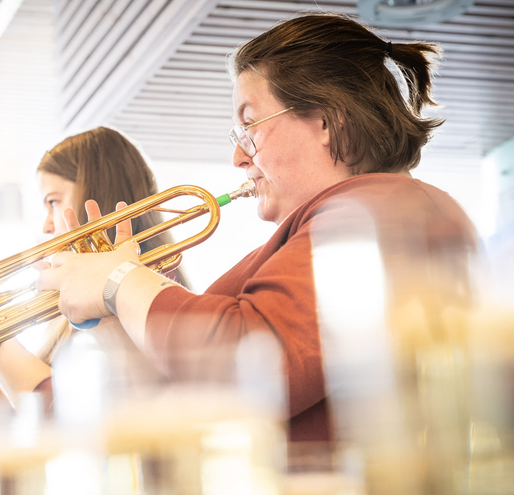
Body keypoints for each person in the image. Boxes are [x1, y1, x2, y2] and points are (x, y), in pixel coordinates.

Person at [36, 13, 478, 442]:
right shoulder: (348, 216)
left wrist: (119, 283)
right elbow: (189, 399)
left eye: (250, 127)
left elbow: (260, 366)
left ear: (327, 122)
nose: (239, 158)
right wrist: (109, 314)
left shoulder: (383, 207)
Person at [0, 126, 189, 409]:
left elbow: (64, 412)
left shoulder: (148, 287)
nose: (47, 225)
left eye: (53, 202)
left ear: (95, 196)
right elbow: (9, 425)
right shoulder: (72, 300)